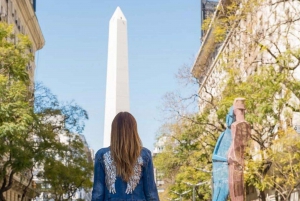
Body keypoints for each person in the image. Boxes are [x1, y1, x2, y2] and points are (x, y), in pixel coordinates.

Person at [92, 112, 160, 201]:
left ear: (114, 131)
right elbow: (151, 193)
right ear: (134, 130)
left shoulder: (102, 155)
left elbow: (98, 194)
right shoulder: (144, 154)